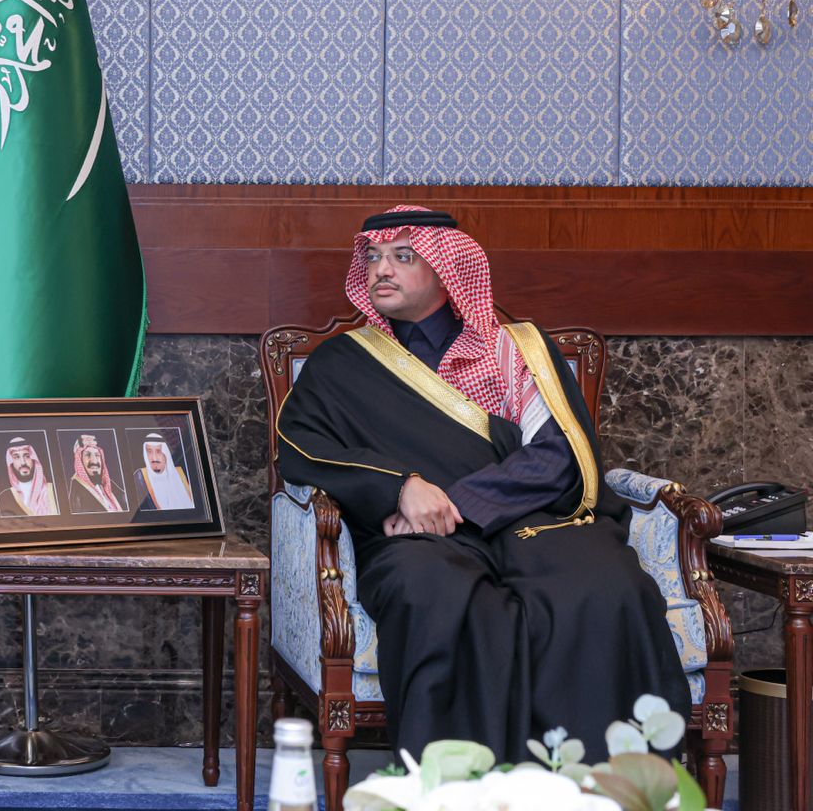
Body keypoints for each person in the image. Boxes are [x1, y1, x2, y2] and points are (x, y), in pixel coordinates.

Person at [275, 204, 688, 762]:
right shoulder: (342, 364)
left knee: (610, 587)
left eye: (403, 256)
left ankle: (605, 785)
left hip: (534, 524)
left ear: (448, 268)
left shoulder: (516, 349)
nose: (381, 270)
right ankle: (459, 788)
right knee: (431, 594)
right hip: (418, 541)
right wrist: (401, 488)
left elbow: (560, 456)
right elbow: (302, 449)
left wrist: (455, 503)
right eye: (372, 257)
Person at [0, 437, 59, 516]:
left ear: (34, 459)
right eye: (16, 457)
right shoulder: (5, 497)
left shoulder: (54, 491)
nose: (23, 462)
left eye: (27, 456)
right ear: (11, 462)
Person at [133, 434, 194, 511]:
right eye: (149, 452)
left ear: (166, 453)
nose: (154, 458)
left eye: (158, 451)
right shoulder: (140, 477)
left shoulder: (181, 473)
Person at [67, 434, 124, 513]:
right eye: (87, 455)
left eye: (97, 455)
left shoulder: (110, 485)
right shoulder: (76, 489)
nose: (94, 461)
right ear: (79, 460)